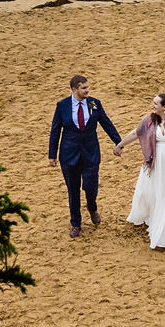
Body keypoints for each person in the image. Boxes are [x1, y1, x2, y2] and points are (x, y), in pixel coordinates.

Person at [47, 74, 123, 239]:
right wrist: (52, 155)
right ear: (74, 89)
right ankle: (76, 223)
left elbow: (106, 123)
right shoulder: (62, 106)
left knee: (91, 186)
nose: (87, 90)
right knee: (73, 190)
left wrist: (119, 142)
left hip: (90, 152)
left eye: (88, 87)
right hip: (69, 155)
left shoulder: (94, 103)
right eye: (84, 88)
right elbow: (55, 130)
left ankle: (92, 207)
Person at [117, 92, 165, 252]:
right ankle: (147, 217)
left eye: (156, 103)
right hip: (154, 166)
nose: (153, 105)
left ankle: (163, 237)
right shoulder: (149, 120)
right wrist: (120, 145)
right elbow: (136, 133)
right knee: (148, 193)